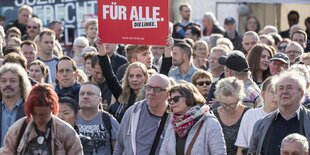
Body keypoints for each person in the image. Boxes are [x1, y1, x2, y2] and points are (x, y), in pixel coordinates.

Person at [0, 83, 83, 154]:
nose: (39, 119)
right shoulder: (16, 130)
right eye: (35, 114)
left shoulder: (67, 133)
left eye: (44, 115)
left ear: (52, 109)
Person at [248, 70, 310, 155]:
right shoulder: (261, 125)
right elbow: (252, 152)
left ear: (302, 93)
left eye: (289, 88)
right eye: (281, 88)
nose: (284, 92)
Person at [160, 82, 226, 155]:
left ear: (190, 97)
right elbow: (164, 151)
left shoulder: (210, 122)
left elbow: (219, 153)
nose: (172, 102)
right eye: (170, 100)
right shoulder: (172, 123)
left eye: (176, 99)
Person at [114, 74, 171, 155]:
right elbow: (119, 145)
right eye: (149, 88)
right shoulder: (133, 112)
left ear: (168, 94)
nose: (151, 92)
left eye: (157, 89)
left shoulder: (175, 117)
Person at [235, 77, 278, 154]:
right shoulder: (250, 115)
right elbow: (241, 148)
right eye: (272, 92)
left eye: (279, 92)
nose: (276, 96)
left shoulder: (286, 118)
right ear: (263, 93)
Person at [77, 82, 120, 155]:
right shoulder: (70, 118)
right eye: (82, 94)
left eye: (90, 93)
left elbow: (118, 149)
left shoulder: (109, 120)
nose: (85, 96)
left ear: (99, 100)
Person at [213, 77, 250, 155]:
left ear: (239, 99)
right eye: (224, 104)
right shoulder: (213, 115)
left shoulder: (248, 114)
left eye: (232, 104)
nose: (228, 107)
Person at [0, 63, 32, 146]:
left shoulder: (31, 110)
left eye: (13, 80)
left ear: (21, 84)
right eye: (3, 81)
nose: (8, 84)